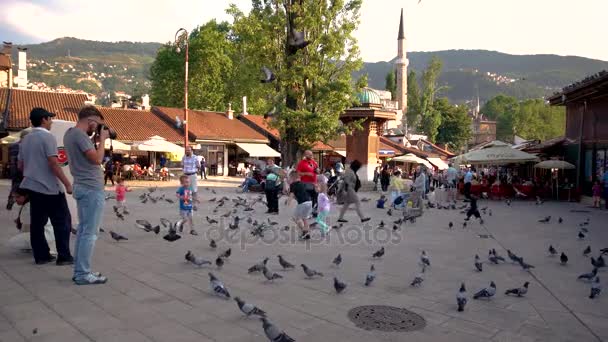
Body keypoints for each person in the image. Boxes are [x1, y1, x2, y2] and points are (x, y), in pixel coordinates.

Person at [18, 107, 73, 266]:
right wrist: (67, 183)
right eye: (49, 118)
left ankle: (41, 255)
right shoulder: (48, 137)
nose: (51, 121)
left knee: (37, 223)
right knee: (62, 221)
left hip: (33, 186)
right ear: (43, 119)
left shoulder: (26, 139)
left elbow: (21, 165)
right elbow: (53, 163)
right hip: (50, 187)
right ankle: (64, 256)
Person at [64, 105, 109, 285]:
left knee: (83, 231)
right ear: (91, 121)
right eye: (97, 125)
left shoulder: (70, 134)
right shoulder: (80, 136)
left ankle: (81, 270)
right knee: (89, 233)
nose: (97, 128)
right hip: (91, 189)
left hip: (82, 186)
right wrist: (103, 140)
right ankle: (83, 274)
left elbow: (89, 157)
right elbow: (97, 159)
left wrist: (96, 140)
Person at [7, 188, 56, 255]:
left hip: (46, 235)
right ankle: (38, 246)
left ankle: (41, 247)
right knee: (24, 232)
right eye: (14, 197)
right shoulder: (33, 203)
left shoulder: (28, 207)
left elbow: (27, 228)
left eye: (18, 197)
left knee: (12, 242)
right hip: (49, 233)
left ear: (26, 196)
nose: (15, 200)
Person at [6, 128, 31, 210]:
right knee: (24, 190)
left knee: (14, 186)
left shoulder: (12, 146)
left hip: (13, 169)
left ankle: (12, 198)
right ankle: (20, 201)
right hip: (21, 170)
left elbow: (10, 159)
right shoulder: (24, 146)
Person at [287, 171, 312, 240]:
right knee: (304, 218)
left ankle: (304, 231)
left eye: (290, 178)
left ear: (292, 177)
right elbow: (298, 195)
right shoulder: (303, 183)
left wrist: (288, 202)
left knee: (295, 218)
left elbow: (292, 195)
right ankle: (307, 233)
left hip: (302, 203)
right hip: (309, 202)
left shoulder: (293, 184)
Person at [296, 150, 319, 215]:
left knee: (315, 198)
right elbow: (298, 173)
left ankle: (314, 211)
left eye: (311, 154)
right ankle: (306, 212)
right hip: (305, 183)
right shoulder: (301, 163)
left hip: (314, 183)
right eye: (309, 155)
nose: (311, 156)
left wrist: (317, 171)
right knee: (307, 199)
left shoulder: (314, 162)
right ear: (305, 155)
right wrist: (306, 173)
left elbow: (317, 171)